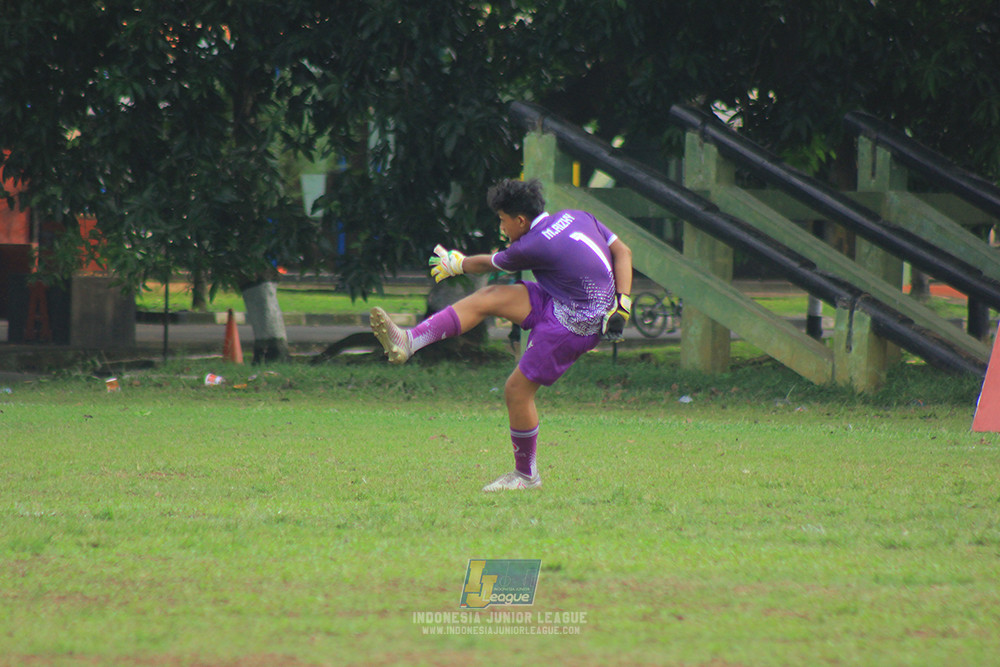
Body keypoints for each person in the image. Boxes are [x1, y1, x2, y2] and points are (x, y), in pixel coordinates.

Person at [370, 178, 633, 491]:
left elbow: (487, 263)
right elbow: (623, 252)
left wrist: (457, 264)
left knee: (516, 391)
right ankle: (410, 340)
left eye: (503, 221)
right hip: (566, 298)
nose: (502, 228)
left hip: (575, 323)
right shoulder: (577, 216)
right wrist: (623, 304)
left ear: (520, 220)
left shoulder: (534, 244)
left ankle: (526, 476)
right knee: (490, 297)